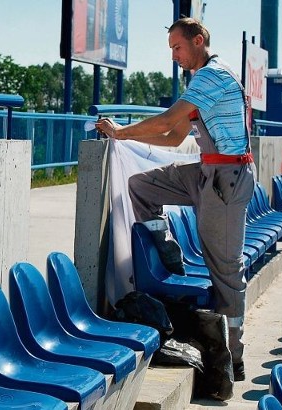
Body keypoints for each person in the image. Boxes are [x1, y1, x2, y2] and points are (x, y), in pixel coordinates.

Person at [95, 17, 255, 385]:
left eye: (178, 47)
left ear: (199, 41)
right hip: (207, 172)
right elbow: (173, 138)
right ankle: (168, 255)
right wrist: (125, 137)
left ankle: (234, 356)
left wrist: (121, 131)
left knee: (226, 269)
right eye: (171, 49)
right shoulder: (200, 80)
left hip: (227, 179)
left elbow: (167, 123)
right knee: (142, 186)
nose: (174, 55)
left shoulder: (212, 76)